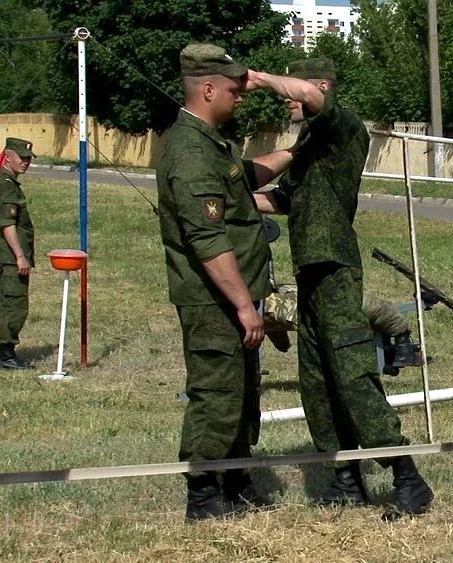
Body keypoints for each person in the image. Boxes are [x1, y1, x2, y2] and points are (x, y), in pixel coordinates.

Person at [247, 58, 433, 517]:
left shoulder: (344, 128)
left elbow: (309, 100)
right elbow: (282, 198)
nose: (288, 99)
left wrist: (260, 80)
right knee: (318, 380)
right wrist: (219, 202)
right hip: (310, 272)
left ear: (322, 87)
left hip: (335, 270)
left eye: (295, 88)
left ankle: (406, 475)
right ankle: (345, 477)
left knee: (351, 375)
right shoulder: (308, 142)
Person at [156, 44, 293, 521]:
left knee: (240, 390)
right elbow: (207, 238)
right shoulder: (191, 151)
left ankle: (235, 478)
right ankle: (205, 494)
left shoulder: (212, 142)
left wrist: (296, 151)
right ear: (207, 88)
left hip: (236, 296)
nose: (241, 97)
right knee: (216, 393)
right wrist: (242, 306)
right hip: (213, 300)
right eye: (234, 89)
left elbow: (244, 181)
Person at [264, 286, 422, 371]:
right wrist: (282, 344)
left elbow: (283, 316)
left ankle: (402, 345)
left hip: (320, 302)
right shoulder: (266, 306)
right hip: (309, 303)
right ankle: (395, 348)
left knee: (370, 306)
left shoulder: (270, 304)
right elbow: (274, 322)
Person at [0, 138, 37, 370]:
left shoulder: (7, 182)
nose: (25, 162)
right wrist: (19, 256)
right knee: (13, 302)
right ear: (7, 157)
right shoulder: (5, 185)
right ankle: (4, 355)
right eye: (21, 158)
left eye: (28, 159)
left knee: (12, 301)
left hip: (7, 254)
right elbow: (8, 224)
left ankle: (6, 353)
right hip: (8, 255)